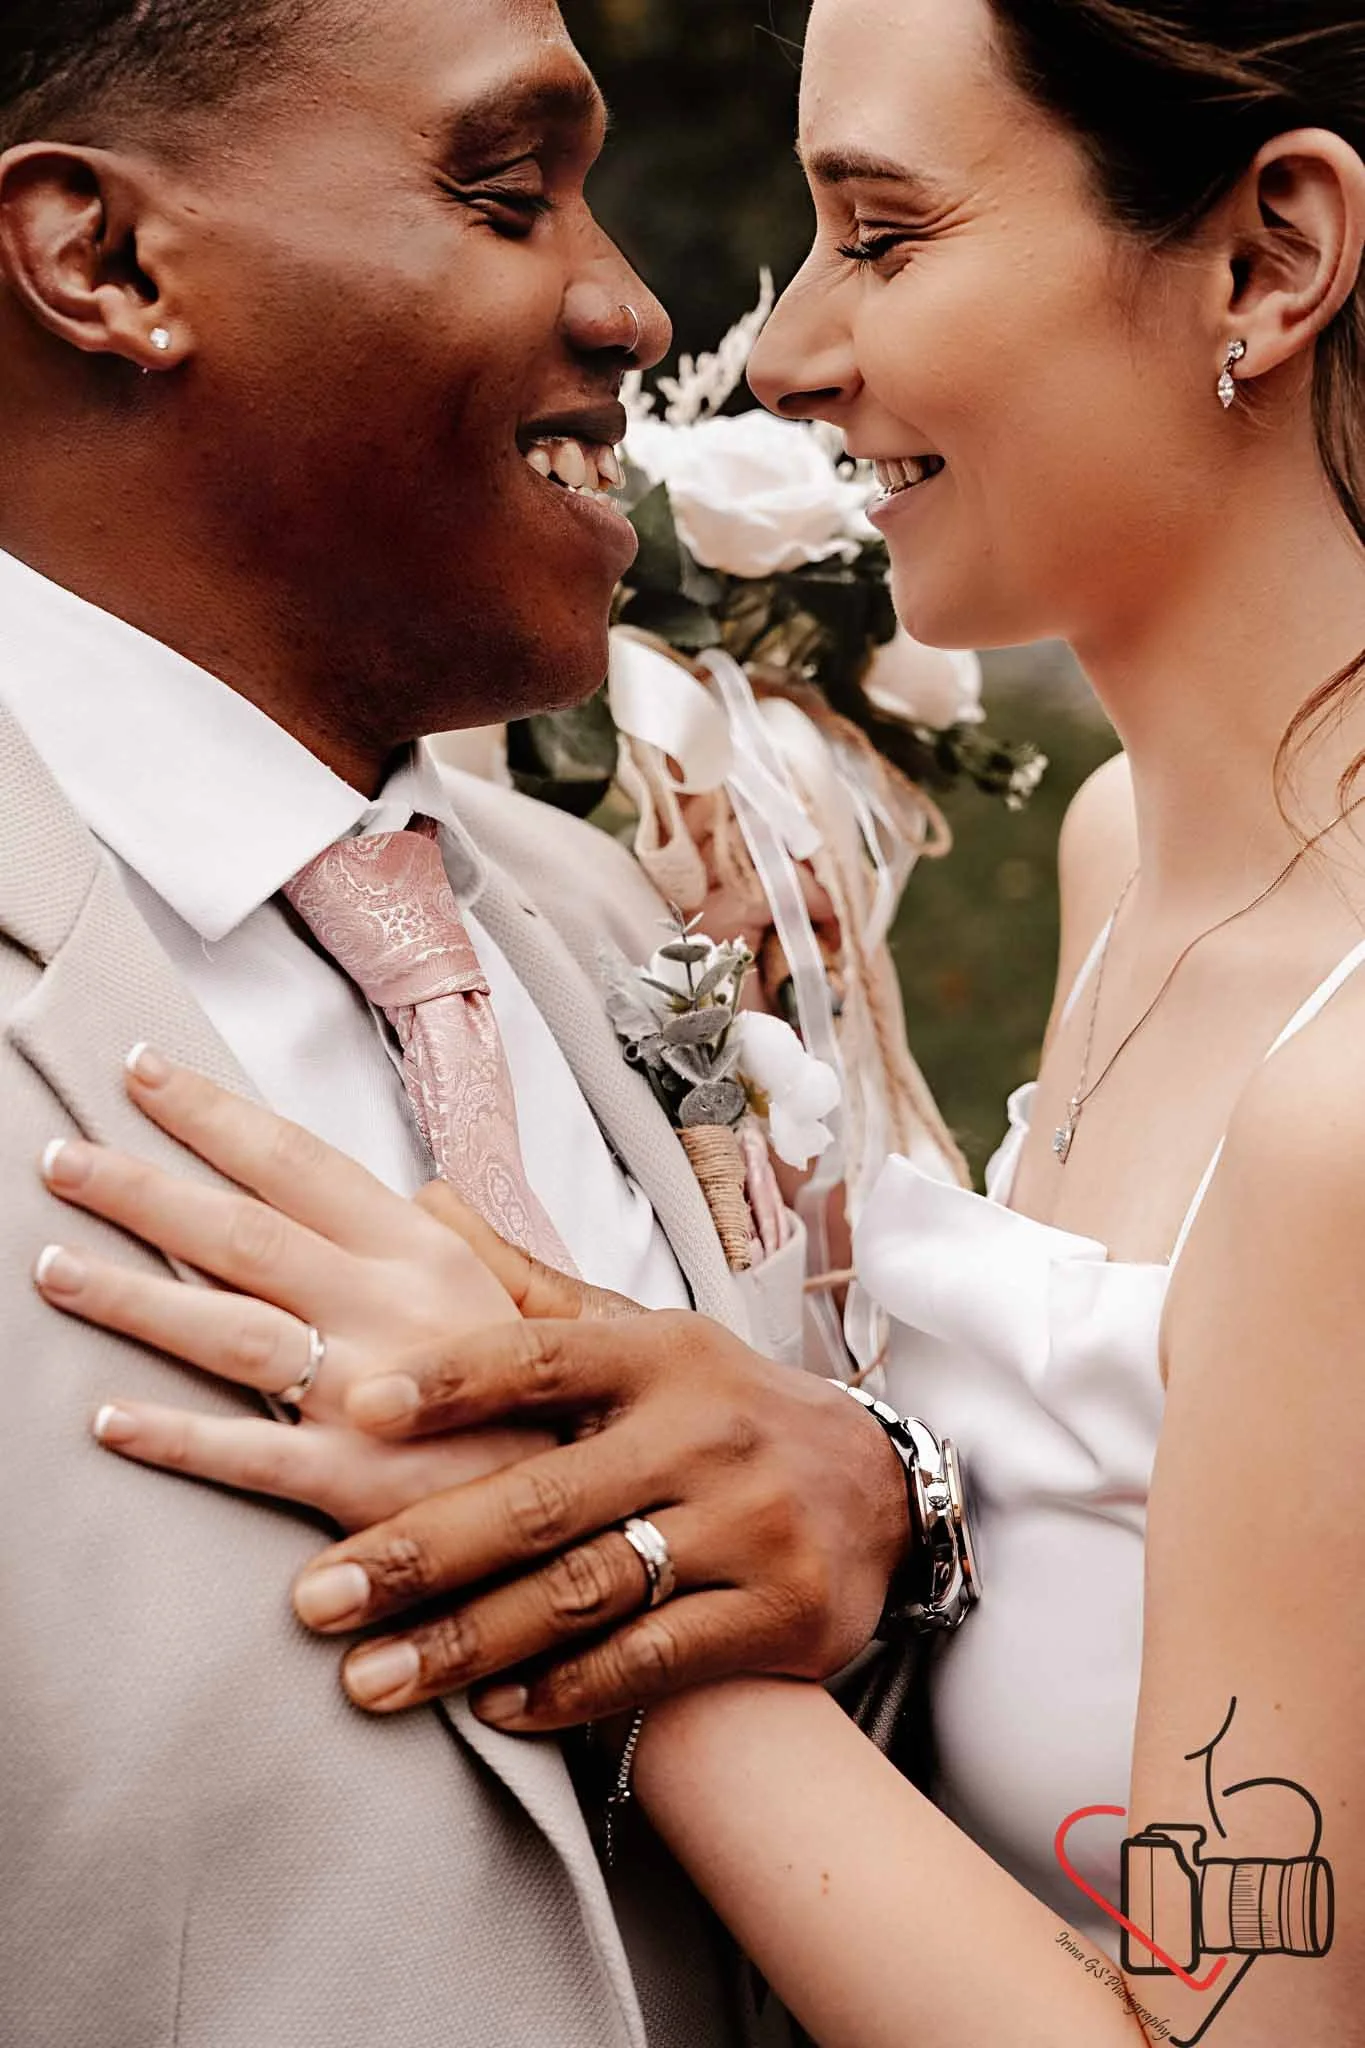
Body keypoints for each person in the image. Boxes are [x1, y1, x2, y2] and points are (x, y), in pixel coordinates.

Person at [40, 0, 1365, 2042]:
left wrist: (575, 1535)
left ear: (1270, 262)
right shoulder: (1111, 876)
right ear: (103, 265)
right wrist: (893, 1490)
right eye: (504, 192)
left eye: (884, 230)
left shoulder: (1326, 1100)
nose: (732, 339)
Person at [0, 4, 921, 2045]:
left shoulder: (606, 917)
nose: (632, 304)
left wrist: (881, 1498)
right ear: (107, 265)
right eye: (507, 198)